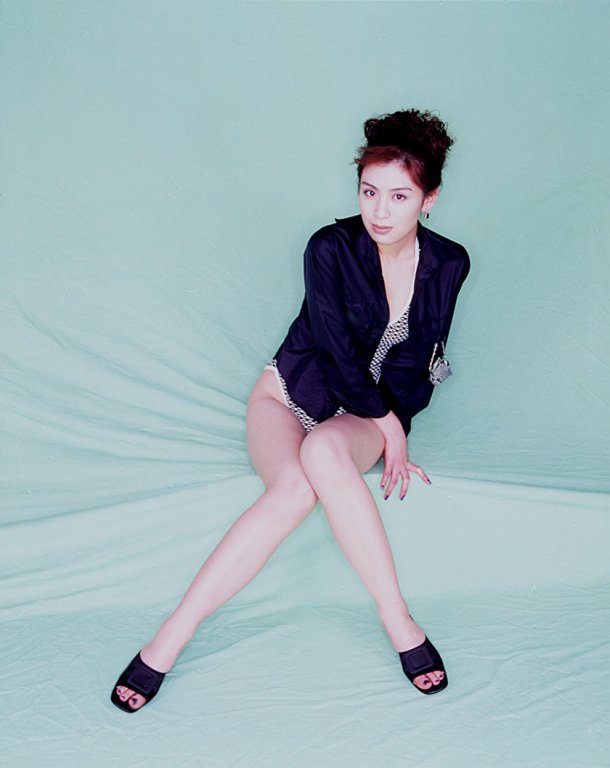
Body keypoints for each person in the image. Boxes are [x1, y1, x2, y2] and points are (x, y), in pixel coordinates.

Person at [111, 109, 470, 713]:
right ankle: (171, 635)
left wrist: (393, 423)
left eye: (399, 196)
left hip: (359, 416)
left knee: (326, 452)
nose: (380, 212)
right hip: (290, 394)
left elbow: (423, 356)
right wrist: (390, 428)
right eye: (369, 192)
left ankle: (397, 618)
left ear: (428, 199)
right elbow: (333, 352)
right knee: (296, 490)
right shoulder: (330, 247)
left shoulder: (451, 263)